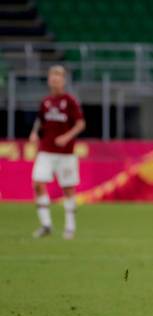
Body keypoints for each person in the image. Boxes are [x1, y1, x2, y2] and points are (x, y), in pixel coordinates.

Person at [30, 65, 85, 240]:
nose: (55, 79)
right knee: (38, 183)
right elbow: (40, 120)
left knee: (68, 188)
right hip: (46, 150)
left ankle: (70, 227)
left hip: (65, 153)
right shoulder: (45, 102)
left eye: (58, 77)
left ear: (63, 80)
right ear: (48, 79)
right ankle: (46, 224)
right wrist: (34, 132)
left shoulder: (69, 101)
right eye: (52, 76)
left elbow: (80, 124)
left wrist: (66, 137)